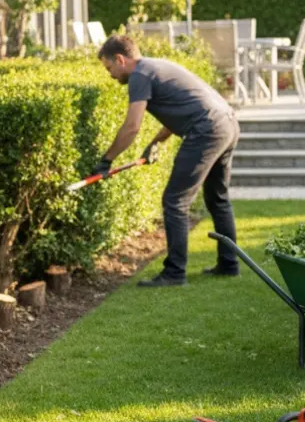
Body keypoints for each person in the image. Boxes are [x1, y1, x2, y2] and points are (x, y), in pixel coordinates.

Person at [94, 35, 240, 287]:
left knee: (175, 201)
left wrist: (106, 159)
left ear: (120, 59)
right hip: (227, 123)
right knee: (217, 198)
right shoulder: (155, 66)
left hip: (207, 129)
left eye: (109, 68)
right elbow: (183, 108)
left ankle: (174, 273)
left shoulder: (139, 76)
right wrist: (156, 143)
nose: (111, 75)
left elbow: (132, 127)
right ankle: (229, 265)